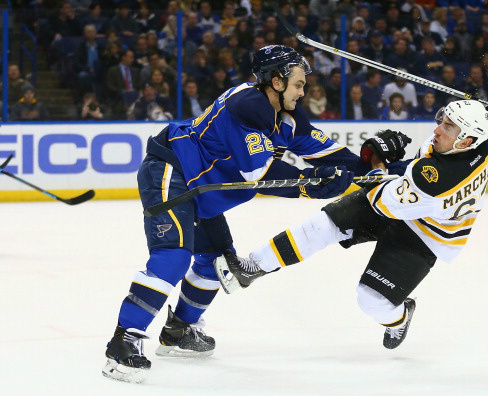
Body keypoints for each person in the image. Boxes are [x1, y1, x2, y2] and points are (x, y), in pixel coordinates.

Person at [102, 45, 400, 383]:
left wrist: (378, 159)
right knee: (172, 257)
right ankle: (123, 342)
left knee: (215, 261)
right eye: (299, 84)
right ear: (276, 81)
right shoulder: (246, 107)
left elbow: (333, 157)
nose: (304, 92)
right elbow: (258, 174)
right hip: (172, 171)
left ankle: (179, 329)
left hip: (203, 189)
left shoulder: (287, 116)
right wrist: (310, 185)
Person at [215, 96, 488, 351]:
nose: (438, 129)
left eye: (449, 126)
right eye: (443, 120)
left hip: (426, 233)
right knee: (323, 225)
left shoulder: (437, 181)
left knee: (372, 301)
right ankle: (253, 266)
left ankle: (400, 317)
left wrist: (378, 162)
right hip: (406, 197)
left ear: (466, 140)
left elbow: (383, 199)